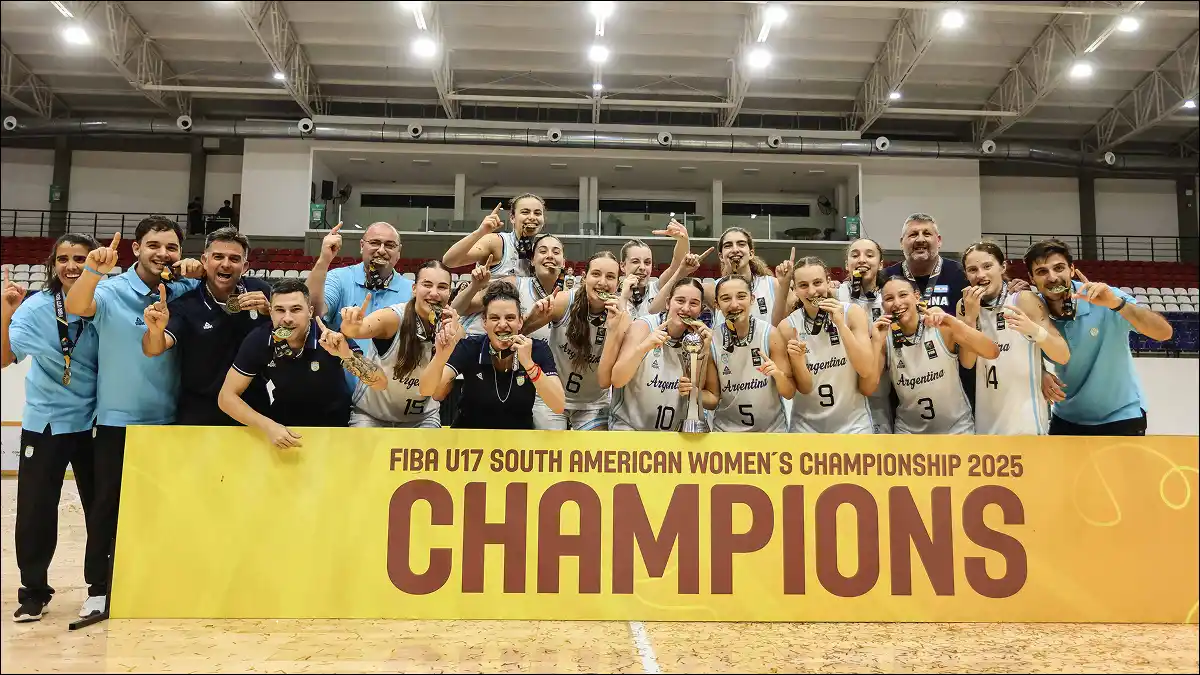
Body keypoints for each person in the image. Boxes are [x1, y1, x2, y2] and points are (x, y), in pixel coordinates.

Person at [63, 216, 202, 617]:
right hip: (116, 420)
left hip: (171, 421)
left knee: (163, 509)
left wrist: (198, 269)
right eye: (154, 245)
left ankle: (155, 582)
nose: (163, 254)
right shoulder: (110, 289)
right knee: (106, 507)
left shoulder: (186, 290)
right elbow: (76, 305)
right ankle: (98, 589)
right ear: (136, 248)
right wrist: (92, 269)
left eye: (172, 248)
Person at [1, 234, 102, 622]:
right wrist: (6, 311)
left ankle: (101, 587)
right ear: (52, 263)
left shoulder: (103, 304)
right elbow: (6, 358)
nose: (72, 265)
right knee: (36, 510)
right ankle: (34, 591)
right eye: (63, 258)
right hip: (46, 423)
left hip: (95, 422)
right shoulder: (36, 308)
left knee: (101, 509)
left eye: (80, 257)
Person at [1026, 238, 1173, 436]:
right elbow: (1021, 350)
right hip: (1066, 419)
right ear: (1031, 278)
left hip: (1121, 417)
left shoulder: (1106, 296)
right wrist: (1040, 372)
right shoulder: (1034, 309)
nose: (1052, 277)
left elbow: (1164, 333)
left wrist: (1116, 304)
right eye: (1042, 271)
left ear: (1071, 269)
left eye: (1059, 268)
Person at [218, 279, 386, 446]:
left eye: (296, 309)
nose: (287, 318)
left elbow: (380, 383)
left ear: (310, 311)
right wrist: (268, 426)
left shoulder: (329, 335)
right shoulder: (260, 339)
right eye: (279, 310)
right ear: (270, 312)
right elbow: (226, 397)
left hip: (334, 431)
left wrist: (345, 354)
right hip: (284, 430)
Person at [141, 227, 272, 425]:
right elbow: (153, 348)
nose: (226, 264)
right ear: (205, 261)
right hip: (200, 411)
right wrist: (155, 331)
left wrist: (270, 313)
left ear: (245, 266)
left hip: (254, 409)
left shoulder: (261, 291)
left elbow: (293, 331)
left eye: (234, 259)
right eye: (218, 256)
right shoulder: (186, 304)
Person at [452, 235, 565, 428]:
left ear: (564, 261)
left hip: (541, 377)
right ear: (531, 260)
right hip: (496, 365)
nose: (550, 256)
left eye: (556, 252)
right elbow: (459, 308)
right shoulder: (514, 283)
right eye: (543, 251)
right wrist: (474, 286)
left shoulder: (565, 299)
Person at [958, 241, 1070, 435]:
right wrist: (970, 319)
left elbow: (1062, 355)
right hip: (986, 422)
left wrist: (1035, 331)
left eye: (987, 266)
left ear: (1002, 267)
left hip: (1026, 423)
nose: (981, 275)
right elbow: (967, 363)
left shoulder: (1023, 299)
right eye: (972, 269)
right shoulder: (965, 305)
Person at [419, 281, 565, 429]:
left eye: (510, 318)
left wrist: (529, 364)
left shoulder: (537, 349)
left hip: (518, 442)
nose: (502, 324)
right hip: (470, 439)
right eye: (495, 318)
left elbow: (558, 406)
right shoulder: (469, 347)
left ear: (520, 322)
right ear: (484, 322)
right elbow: (431, 393)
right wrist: (440, 357)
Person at [872, 276, 999, 435]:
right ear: (883, 305)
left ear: (917, 296)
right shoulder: (884, 338)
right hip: (909, 432)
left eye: (903, 295)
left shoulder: (940, 326)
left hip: (957, 428)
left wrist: (953, 322)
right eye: (889, 298)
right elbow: (868, 387)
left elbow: (991, 351)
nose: (897, 303)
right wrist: (875, 343)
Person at [337, 261, 452, 428]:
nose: (434, 293)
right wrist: (350, 323)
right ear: (414, 289)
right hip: (371, 415)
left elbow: (437, 391)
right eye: (427, 285)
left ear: (449, 292)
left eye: (442, 287)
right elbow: (358, 330)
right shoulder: (393, 317)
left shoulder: (452, 328)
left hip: (422, 418)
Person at [522, 252, 626, 430]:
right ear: (584, 278)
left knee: (592, 456)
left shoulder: (622, 317)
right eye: (596, 274)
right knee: (551, 454)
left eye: (610, 277)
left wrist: (614, 329)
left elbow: (605, 380)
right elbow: (522, 331)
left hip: (593, 402)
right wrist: (533, 315)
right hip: (552, 396)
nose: (602, 282)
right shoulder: (564, 301)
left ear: (618, 283)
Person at [781, 257, 879, 434]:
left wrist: (841, 325)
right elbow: (804, 388)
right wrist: (797, 361)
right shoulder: (787, 327)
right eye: (803, 285)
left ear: (828, 282)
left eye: (817, 282)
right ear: (794, 289)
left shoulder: (852, 313)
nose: (812, 291)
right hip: (806, 427)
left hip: (854, 425)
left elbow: (865, 369)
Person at [610, 278, 713, 431]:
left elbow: (695, 393)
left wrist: (704, 351)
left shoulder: (699, 339)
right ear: (667, 303)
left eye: (693, 303)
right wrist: (644, 347)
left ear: (700, 310)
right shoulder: (643, 326)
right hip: (629, 428)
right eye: (680, 300)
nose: (685, 308)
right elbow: (617, 380)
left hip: (672, 434)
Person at [704, 275, 795, 432]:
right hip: (727, 433)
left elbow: (789, 392)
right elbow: (713, 398)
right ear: (717, 305)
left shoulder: (770, 334)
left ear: (752, 299)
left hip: (771, 431)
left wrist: (778, 375)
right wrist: (691, 392)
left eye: (741, 296)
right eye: (726, 299)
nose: (734, 304)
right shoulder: (712, 341)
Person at [306, 221, 414, 354]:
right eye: (374, 243)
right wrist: (324, 259)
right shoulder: (339, 278)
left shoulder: (412, 291)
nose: (381, 250)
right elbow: (311, 311)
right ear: (362, 246)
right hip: (342, 373)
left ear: (398, 252)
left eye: (389, 245)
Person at [837, 237, 893, 433]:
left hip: (880, 393)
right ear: (846, 264)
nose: (862, 260)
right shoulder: (834, 295)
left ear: (881, 263)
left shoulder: (891, 298)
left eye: (869, 255)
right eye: (855, 255)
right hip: (843, 394)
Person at [442, 193, 547, 277]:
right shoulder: (496, 242)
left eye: (537, 213)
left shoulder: (542, 251)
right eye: (525, 212)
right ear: (512, 218)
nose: (532, 217)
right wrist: (480, 232)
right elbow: (449, 261)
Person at [703, 228, 790, 327]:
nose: (735, 250)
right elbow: (681, 293)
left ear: (751, 253)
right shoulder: (713, 289)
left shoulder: (775, 285)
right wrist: (685, 270)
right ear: (721, 256)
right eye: (728, 245)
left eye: (741, 244)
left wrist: (786, 284)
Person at [619, 219, 692, 318]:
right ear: (622, 266)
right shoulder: (614, 295)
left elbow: (677, 265)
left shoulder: (656, 289)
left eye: (647, 262)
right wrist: (623, 297)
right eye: (635, 261)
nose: (642, 267)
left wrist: (683, 240)